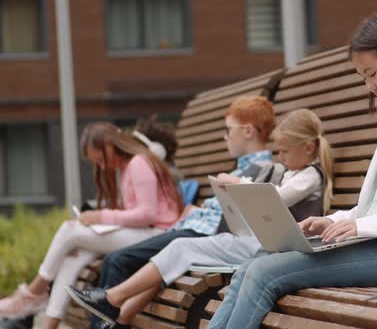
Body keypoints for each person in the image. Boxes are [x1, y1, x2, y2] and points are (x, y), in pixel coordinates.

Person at [206, 13, 377, 328]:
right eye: (363, 77)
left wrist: (361, 227)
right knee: (248, 267)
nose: (369, 85)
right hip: (373, 244)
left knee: (263, 273)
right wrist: (333, 221)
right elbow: (375, 206)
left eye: (373, 73)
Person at [66, 108, 335, 328]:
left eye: (285, 151)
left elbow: (276, 199)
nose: (281, 157)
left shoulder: (311, 176)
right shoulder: (289, 171)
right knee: (181, 247)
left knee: (182, 248)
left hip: (275, 248)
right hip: (262, 242)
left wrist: (237, 183)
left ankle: (113, 300)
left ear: (309, 148)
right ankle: (113, 300)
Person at [87, 96, 276, 328]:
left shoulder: (262, 171)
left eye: (228, 130)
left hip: (203, 235)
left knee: (117, 261)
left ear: (248, 131)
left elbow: (249, 216)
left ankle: (109, 310)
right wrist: (202, 209)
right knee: (122, 261)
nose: (224, 136)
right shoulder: (245, 167)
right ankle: (115, 316)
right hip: (195, 229)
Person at [0, 122, 183, 329]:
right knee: (73, 256)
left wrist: (100, 216)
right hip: (146, 232)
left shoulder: (139, 163)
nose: (103, 167)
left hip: (157, 235)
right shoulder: (129, 166)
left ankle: (33, 293)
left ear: (109, 144)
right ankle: (48, 324)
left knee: (70, 231)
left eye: (100, 159)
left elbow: (147, 214)